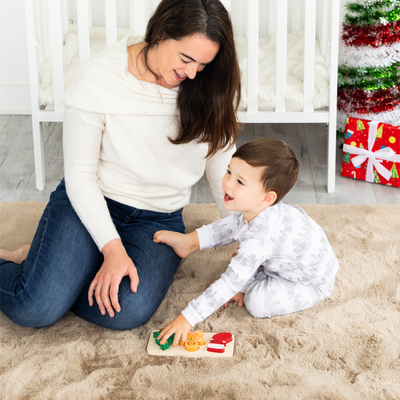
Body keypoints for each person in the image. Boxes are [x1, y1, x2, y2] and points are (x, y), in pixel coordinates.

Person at [0, 0, 241, 330]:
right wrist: (112, 251)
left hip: (158, 219)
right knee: (35, 307)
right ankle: (51, 273)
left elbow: (226, 173)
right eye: (186, 59)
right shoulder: (99, 78)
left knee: (128, 309)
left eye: (202, 64)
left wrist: (250, 241)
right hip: (93, 201)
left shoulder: (208, 85)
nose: (191, 73)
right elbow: (80, 177)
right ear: (160, 33)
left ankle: (53, 267)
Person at [154, 138, 339, 346]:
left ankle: (252, 278)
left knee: (256, 303)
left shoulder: (261, 239)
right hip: (291, 258)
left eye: (240, 182)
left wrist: (186, 319)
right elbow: (228, 227)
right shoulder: (257, 210)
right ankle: (190, 243)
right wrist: (193, 239)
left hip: (310, 283)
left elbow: (228, 284)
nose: (227, 183)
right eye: (229, 171)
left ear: (266, 198)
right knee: (234, 228)